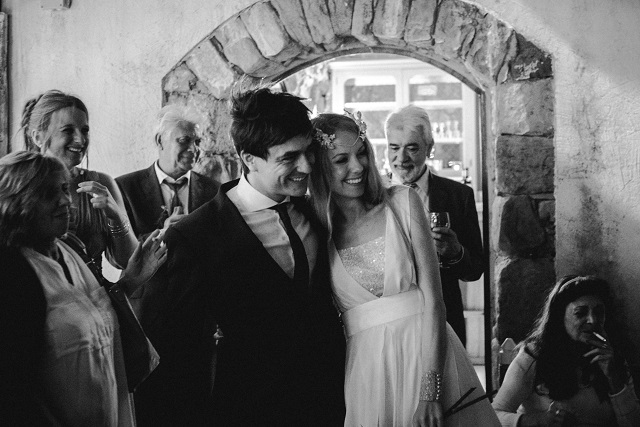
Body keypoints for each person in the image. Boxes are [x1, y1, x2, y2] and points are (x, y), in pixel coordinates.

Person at [132, 87, 345, 426]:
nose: (306, 166)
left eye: (308, 151)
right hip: (246, 409)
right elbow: (171, 353)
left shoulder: (318, 213)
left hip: (327, 403)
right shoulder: (194, 237)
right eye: (289, 158)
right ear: (249, 159)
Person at [308, 112, 499, 426]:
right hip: (366, 369)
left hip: (426, 353)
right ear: (317, 167)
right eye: (341, 160)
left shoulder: (402, 202)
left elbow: (435, 302)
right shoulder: (313, 228)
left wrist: (430, 392)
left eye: (361, 154)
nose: (358, 167)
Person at [0, 151, 167, 426]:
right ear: (18, 204)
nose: (66, 201)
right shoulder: (13, 273)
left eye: (65, 189)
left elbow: (93, 311)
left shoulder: (72, 248)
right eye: (48, 194)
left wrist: (131, 279)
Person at [384, 105, 484, 346]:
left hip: (445, 319)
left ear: (429, 148)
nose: (401, 159)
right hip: (391, 323)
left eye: (412, 148)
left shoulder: (459, 196)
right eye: (394, 148)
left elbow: (475, 270)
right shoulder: (372, 196)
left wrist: (455, 252)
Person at [492, 275, 640, 426]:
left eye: (598, 312)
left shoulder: (611, 356)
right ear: (560, 316)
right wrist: (537, 421)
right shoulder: (535, 356)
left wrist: (614, 378)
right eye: (580, 313)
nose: (592, 320)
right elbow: (494, 414)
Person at [22, 89, 138, 271]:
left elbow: (128, 262)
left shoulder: (102, 184)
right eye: (68, 130)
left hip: (94, 290)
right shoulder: (19, 185)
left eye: (84, 130)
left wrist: (116, 217)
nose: (80, 139)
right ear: (38, 137)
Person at [116, 105, 219, 240]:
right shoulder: (124, 188)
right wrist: (162, 234)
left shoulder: (214, 191)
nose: (194, 149)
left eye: (197, 142)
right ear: (160, 141)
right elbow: (119, 249)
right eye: (184, 141)